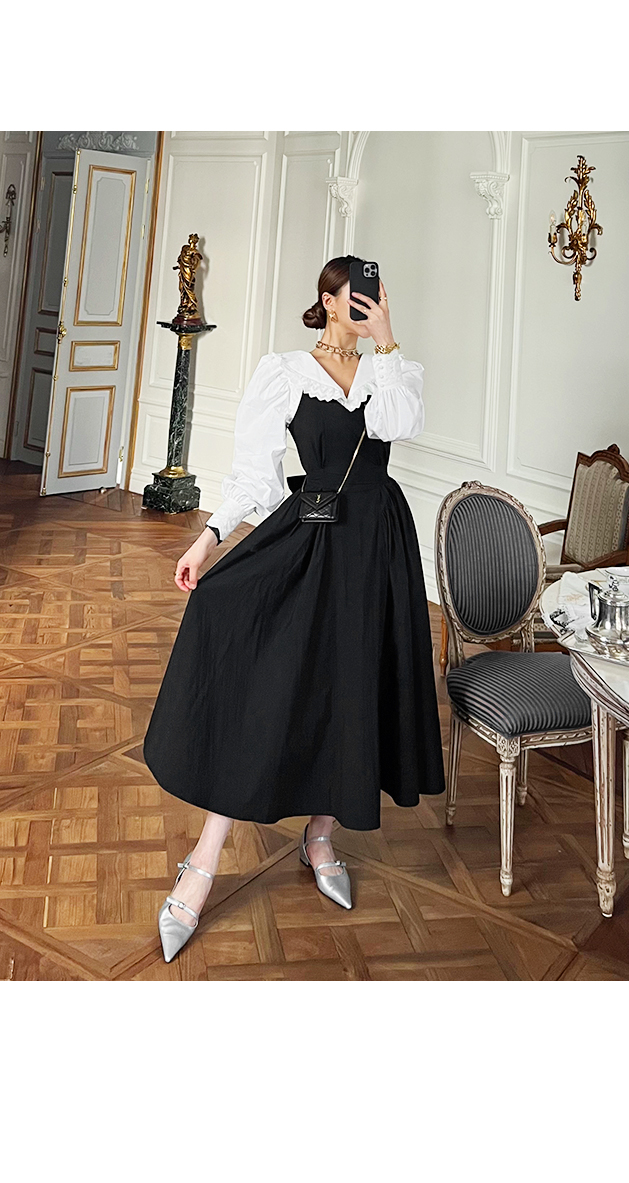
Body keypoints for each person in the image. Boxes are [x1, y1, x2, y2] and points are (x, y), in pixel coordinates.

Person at [142, 254, 445, 962]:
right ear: (328, 300)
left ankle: (321, 835)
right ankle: (203, 860)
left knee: (352, 686)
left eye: (377, 295)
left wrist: (389, 343)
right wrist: (208, 541)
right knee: (270, 685)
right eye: (357, 295)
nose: (368, 304)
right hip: (313, 538)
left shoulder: (390, 371)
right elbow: (254, 474)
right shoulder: (283, 371)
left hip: (379, 546)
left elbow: (400, 424)